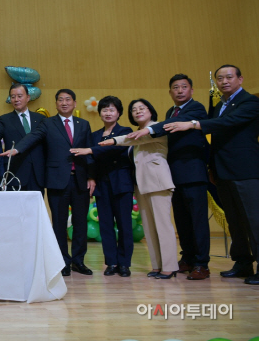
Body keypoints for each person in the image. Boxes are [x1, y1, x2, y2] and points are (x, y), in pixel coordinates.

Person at [164, 64, 259, 285]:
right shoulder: (218, 106)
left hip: (245, 170)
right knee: (234, 220)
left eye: (228, 77)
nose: (224, 81)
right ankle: (243, 262)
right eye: (220, 78)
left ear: (240, 79)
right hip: (222, 171)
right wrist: (211, 167)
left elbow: (228, 123)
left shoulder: (250, 102)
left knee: (254, 220)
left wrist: (194, 124)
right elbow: (213, 140)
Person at [0, 89, 96, 277]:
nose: (64, 103)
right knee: (58, 222)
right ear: (56, 104)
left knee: (80, 222)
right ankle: (62, 261)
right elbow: (33, 138)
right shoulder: (47, 122)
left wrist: (91, 176)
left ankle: (78, 261)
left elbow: (89, 152)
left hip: (80, 180)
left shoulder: (84, 124)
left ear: (74, 103)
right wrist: (16, 150)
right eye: (60, 100)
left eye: (68, 100)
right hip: (57, 180)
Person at [127, 74, 210, 280]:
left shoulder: (196, 108)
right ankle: (188, 257)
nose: (180, 90)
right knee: (182, 221)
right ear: (170, 92)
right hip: (174, 174)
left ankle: (201, 263)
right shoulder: (171, 112)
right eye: (175, 87)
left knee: (198, 220)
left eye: (184, 87)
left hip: (193, 173)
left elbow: (175, 124)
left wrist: (149, 129)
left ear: (191, 90)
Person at [101, 99, 179, 279]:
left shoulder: (157, 127)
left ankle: (169, 266)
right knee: (150, 228)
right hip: (142, 185)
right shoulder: (138, 132)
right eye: (134, 110)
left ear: (151, 110)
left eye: (142, 108)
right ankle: (157, 265)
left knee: (163, 225)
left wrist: (112, 140)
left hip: (158, 182)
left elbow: (132, 139)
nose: (138, 112)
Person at [70, 96, 135, 277]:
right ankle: (111, 262)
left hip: (121, 183)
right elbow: (91, 160)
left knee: (124, 225)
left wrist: (91, 150)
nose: (108, 113)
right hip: (102, 184)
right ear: (100, 113)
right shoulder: (95, 135)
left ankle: (124, 263)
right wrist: (91, 176)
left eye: (112, 109)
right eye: (105, 110)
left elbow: (115, 148)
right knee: (105, 225)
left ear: (119, 113)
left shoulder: (126, 131)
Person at [0, 83, 46, 191]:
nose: (16, 99)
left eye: (19, 96)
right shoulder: (5, 119)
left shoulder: (40, 119)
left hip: (38, 173)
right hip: (16, 173)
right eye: (13, 96)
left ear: (28, 97)